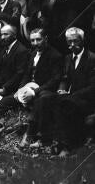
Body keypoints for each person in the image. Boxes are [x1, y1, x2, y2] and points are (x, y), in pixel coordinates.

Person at [24, 27, 95, 155]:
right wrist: (61, 89)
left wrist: (72, 95)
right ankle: (44, 139)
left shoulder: (91, 59)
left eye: (75, 41)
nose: (72, 45)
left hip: (86, 99)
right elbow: (64, 78)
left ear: (82, 41)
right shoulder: (68, 58)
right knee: (44, 97)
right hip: (69, 96)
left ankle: (66, 146)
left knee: (66, 104)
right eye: (69, 42)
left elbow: (93, 87)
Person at [0, 28, 62, 129]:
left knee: (38, 105)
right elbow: (26, 74)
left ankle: (28, 133)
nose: (35, 43)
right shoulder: (33, 53)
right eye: (32, 40)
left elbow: (55, 80)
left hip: (42, 91)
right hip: (27, 89)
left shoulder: (55, 56)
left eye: (38, 40)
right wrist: (20, 89)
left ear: (46, 39)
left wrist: (35, 91)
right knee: (4, 101)